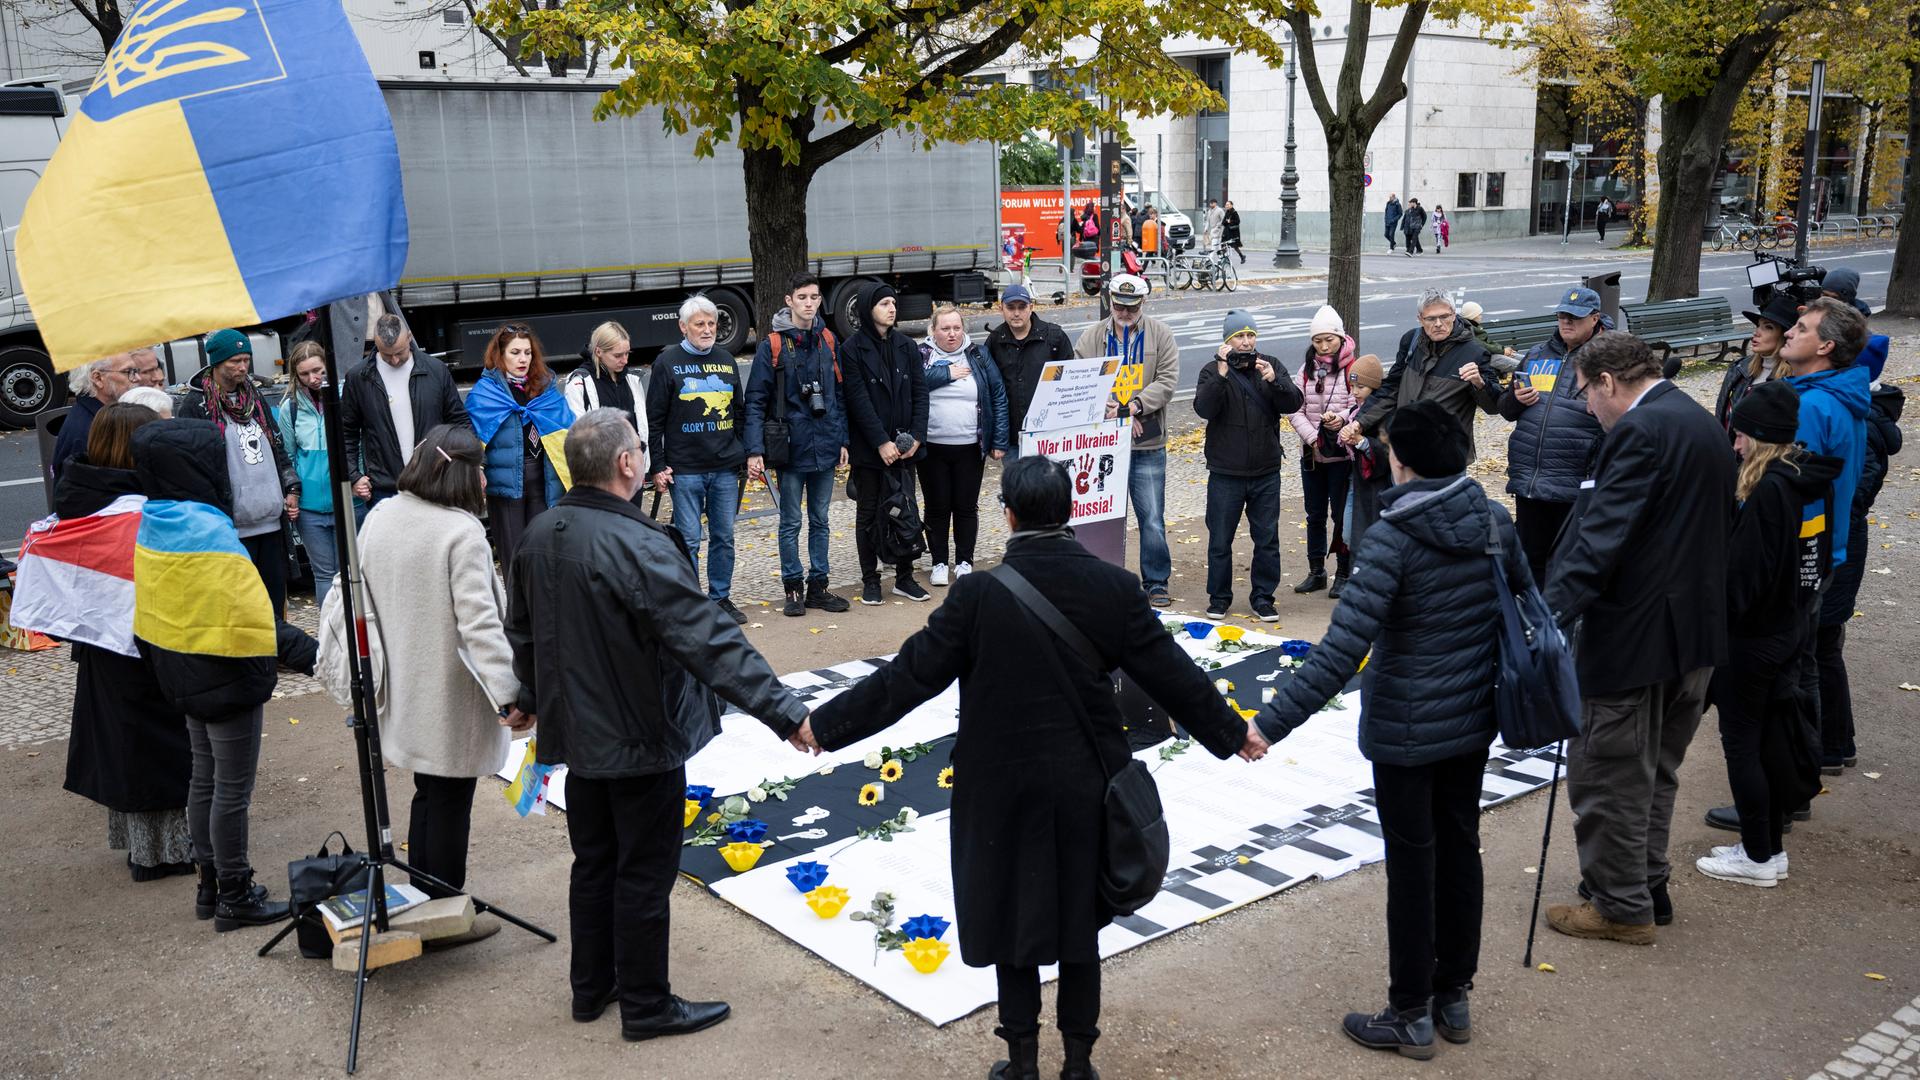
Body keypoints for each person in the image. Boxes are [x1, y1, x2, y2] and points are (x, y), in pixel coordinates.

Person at [799, 456, 1260, 1080]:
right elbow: (1173, 676)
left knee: (1012, 923)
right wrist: (1236, 736)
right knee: (1079, 928)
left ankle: (1021, 1064)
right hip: (1088, 784)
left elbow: (907, 680)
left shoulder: (977, 595)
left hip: (1000, 787)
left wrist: (822, 726)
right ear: (1067, 511)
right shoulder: (1115, 589)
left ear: (1008, 514)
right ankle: (1078, 1066)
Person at [505, 409, 811, 1041]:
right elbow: (710, 639)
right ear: (626, 463)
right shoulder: (636, 543)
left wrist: (532, 693)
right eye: (640, 448)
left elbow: (525, 632)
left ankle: (591, 989)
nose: (643, 456)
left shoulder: (539, 531)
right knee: (640, 872)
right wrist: (786, 712)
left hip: (581, 736)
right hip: (637, 736)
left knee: (594, 863)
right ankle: (646, 1004)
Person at [1255, 399, 1518, 1060]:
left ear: (1401, 462)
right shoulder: (1493, 521)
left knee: (1414, 864)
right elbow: (1524, 606)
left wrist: (1268, 724)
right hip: (1474, 718)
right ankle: (1453, 996)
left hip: (1407, 729)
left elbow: (1343, 649)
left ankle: (1410, 1012)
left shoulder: (1394, 536)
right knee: (1461, 849)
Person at [1542, 331, 1734, 943]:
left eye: (1585, 396)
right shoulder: (1698, 420)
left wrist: (1541, 623)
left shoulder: (1638, 432)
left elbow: (1599, 542)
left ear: (1606, 382)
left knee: (1609, 773)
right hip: (1693, 633)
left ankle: (1621, 907)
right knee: (1655, 770)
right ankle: (1644, 882)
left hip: (1635, 636)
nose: (1587, 410)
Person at [355, 425, 526, 933]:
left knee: (430, 794)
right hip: (450, 692)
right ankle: (446, 912)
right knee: (450, 800)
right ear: (465, 473)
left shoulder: (382, 515)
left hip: (404, 682)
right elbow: (480, 625)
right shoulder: (460, 532)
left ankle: (425, 894)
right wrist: (509, 695)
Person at [130, 419, 293, 931]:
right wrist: (318, 654)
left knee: (204, 780)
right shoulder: (207, 530)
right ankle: (236, 894)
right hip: (225, 673)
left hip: (181, 670)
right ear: (198, 467)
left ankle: (209, 885)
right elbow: (255, 617)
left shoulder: (155, 519)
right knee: (232, 791)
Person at [1697, 381, 1841, 887]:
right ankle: (1768, 849)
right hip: (1792, 625)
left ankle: (1756, 856)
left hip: (1754, 638)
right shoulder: (1809, 479)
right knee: (1766, 740)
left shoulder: (1768, 490)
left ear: (1757, 437)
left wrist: (1715, 626)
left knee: (1743, 746)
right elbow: (1816, 559)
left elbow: (1745, 577)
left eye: (1740, 436)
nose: (1734, 444)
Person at [57, 402, 195, 883]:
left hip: (103, 641)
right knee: (163, 742)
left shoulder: (81, 491)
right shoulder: (134, 504)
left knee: (127, 743)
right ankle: (168, 852)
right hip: (147, 636)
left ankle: (141, 848)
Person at [1777, 299, 1871, 774]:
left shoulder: (1812, 404)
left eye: (1800, 327)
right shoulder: (1834, 395)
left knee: (1794, 670)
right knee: (1809, 659)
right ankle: (1811, 764)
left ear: (1826, 346)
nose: (1788, 333)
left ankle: (1793, 779)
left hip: (1799, 553)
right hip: (1821, 549)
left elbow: (1794, 492)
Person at [1342, 291, 1498, 553]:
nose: (1438, 324)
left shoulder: (1474, 352)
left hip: (1445, 462)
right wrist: (1359, 422)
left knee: (1440, 533)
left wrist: (1479, 384)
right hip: (1403, 455)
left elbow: (1494, 406)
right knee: (1405, 528)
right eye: (1431, 318)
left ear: (1454, 315)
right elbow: (1391, 389)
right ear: (1420, 319)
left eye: (1444, 317)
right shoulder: (1411, 341)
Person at [744, 274, 852, 617]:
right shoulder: (772, 345)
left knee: (821, 519)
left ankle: (819, 586)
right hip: (789, 448)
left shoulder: (828, 340)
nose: (809, 303)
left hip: (825, 444)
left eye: (815, 297)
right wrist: (754, 449)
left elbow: (839, 395)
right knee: (790, 521)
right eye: (802, 297)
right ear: (789, 300)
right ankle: (793, 587)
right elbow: (756, 400)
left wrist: (843, 439)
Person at [177, 329, 300, 621]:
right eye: (235, 361)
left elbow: (277, 445)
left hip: (270, 519)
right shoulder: (195, 406)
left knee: (273, 598)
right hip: (232, 526)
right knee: (240, 603)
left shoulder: (254, 397)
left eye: (246, 360)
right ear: (217, 363)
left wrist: (291, 487)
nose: (243, 367)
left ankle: (276, 655)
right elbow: (192, 467)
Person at [1076, 274, 1180, 605]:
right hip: (1103, 443)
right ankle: (1103, 579)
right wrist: (1104, 407)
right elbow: (1080, 376)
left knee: (1151, 516)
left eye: (1130, 307)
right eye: (1119, 306)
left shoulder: (1161, 334)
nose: (1124, 312)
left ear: (1142, 305)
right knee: (1103, 515)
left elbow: (1167, 381)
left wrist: (1132, 408)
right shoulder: (1092, 336)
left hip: (1147, 443)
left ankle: (1156, 581)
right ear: (1109, 301)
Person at [1196, 309, 1304, 622]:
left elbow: (1293, 403)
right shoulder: (1211, 370)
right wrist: (1221, 373)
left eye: (1250, 335)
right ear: (1227, 341)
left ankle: (1263, 598)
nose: (1246, 342)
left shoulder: (1270, 365)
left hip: (1266, 471)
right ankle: (1218, 598)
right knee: (1219, 539)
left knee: (1267, 539)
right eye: (1238, 336)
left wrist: (1274, 381)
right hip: (1225, 472)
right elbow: (1204, 408)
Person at [646, 296, 749, 622]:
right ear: (683, 327)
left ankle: (720, 599)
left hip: (724, 467)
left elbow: (740, 412)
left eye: (712, 324)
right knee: (688, 539)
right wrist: (658, 465)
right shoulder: (667, 362)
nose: (707, 330)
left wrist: (744, 453)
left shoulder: (726, 360)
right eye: (699, 324)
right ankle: (690, 603)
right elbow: (654, 420)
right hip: (685, 469)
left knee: (724, 537)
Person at [1497, 286, 1608, 585]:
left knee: (1566, 569)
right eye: (1561, 315)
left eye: (1574, 316)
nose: (1566, 321)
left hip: (1573, 483)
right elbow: (1506, 409)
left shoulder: (1608, 359)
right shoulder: (1536, 355)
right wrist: (1516, 400)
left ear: (1595, 318)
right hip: (1530, 482)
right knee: (1528, 564)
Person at [840, 282, 931, 605]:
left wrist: (917, 436)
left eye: (893, 303)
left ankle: (904, 577)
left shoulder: (907, 346)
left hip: (905, 445)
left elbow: (920, 393)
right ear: (868, 309)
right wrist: (880, 441)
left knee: (905, 508)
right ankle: (871, 579)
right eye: (884, 304)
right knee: (868, 513)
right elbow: (857, 399)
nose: (891, 309)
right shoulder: (851, 349)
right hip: (870, 449)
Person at [470, 324, 574, 572]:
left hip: (544, 482)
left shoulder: (545, 386)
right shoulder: (486, 393)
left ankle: (541, 608)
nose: (523, 359)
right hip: (506, 487)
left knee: (542, 552)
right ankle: (517, 609)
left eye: (527, 353)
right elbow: (474, 440)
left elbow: (567, 431)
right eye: (515, 352)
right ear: (500, 355)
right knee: (513, 555)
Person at [919, 304, 1010, 585]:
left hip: (971, 446)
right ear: (933, 331)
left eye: (956, 328)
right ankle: (938, 563)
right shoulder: (921, 354)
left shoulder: (979, 355)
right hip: (931, 446)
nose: (951, 334)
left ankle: (964, 561)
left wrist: (999, 440)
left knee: (966, 506)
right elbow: (913, 385)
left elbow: (997, 395)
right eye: (945, 328)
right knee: (936, 506)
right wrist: (947, 373)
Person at [340, 313, 468, 508]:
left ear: (409, 337)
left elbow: (459, 422)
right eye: (386, 354)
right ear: (376, 343)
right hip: (385, 488)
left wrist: (473, 466)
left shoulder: (436, 370)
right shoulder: (358, 378)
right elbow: (346, 433)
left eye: (400, 352)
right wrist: (354, 476)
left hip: (433, 482)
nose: (394, 360)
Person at [276, 342, 358, 610]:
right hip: (311, 508)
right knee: (324, 575)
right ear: (295, 375)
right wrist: (292, 494)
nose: (313, 379)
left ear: (328, 366)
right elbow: (287, 455)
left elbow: (360, 445)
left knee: (352, 570)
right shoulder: (290, 408)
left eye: (318, 371)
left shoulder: (346, 397)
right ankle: (331, 637)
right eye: (304, 374)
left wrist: (360, 478)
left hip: (349, 501)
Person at [1290, 306, 1363, 597]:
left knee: (1341, 516)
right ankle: (1316, 570)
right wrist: (1312, 437)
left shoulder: (1352, 368)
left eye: (1328, 340)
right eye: (1317, 340)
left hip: (1343, 455)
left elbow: (1360, 404)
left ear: (1340, 337)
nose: (1323, 346)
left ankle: (1343, 572)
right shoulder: (1305, 371)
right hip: (1313, 455)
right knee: (1314, 514)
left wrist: (1341, 418)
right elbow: (1294, 408)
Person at [986, 283, 1077, 448]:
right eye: (1010, 307)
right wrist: (996, 439)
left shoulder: (1054, 337)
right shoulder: (994, 341)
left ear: (1031, 307)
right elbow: (988, 390)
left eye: (1022, 307)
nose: (1016, 313)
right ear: (1001, 309)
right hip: (1011, 437)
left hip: (1050, 434)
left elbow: (1070, 383)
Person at [563, 321, 649, 475]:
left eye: (627, 353)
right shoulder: (579, 382)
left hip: (632, 469)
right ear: (598, 352)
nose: (625, 360)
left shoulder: (632, 379)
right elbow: (577, 434)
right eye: (617, 355)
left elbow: (642, 426)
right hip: (600, 473)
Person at [51, 350, 150, 482]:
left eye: (136, 370)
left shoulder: (101, 417)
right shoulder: (88, 431)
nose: (137, 378)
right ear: (98, 378)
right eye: (128, 372)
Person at [1714, 293, 1797, 437]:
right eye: (1758, 325)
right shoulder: (1739, 369)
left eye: (1768, 327)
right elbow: (1721, 417)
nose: (1757, 332)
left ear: (1785, 336)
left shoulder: (1792, 380)